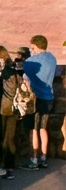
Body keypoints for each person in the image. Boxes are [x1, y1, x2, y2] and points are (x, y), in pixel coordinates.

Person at [23, 35, 57, 169]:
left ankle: (33, 159)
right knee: (43, 128)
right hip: (49, 97)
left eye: (32, 47)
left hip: (36, 98)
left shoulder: (31, 61)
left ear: (35, 46)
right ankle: (43, 158)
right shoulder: (52, 58)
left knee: (34, 129)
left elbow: (25, 79)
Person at [0, 46, 20, 179]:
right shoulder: (13, 69)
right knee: (7, 139)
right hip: (10, 109)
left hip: (2, 109)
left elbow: (7, 90)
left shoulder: (7, 72)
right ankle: (7, 168)